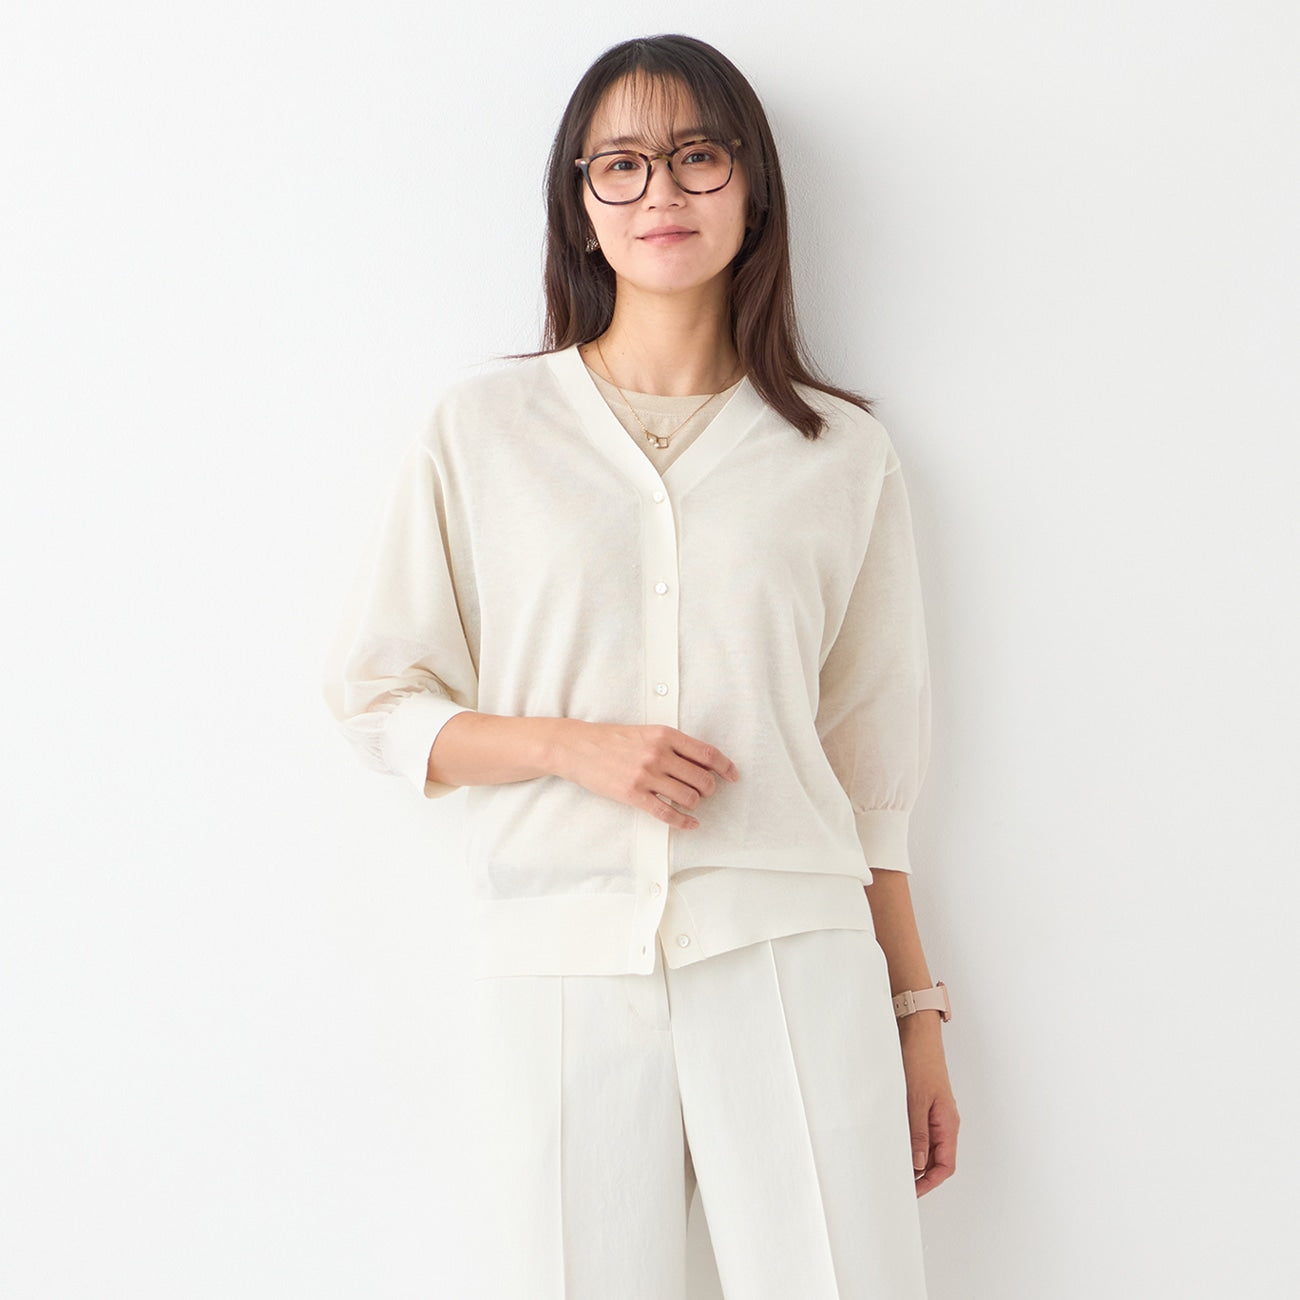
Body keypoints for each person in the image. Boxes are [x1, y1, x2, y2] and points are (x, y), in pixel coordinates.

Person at [323, 32, 959, 1300]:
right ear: (580, 204)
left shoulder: (842, 455)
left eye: (697, 155)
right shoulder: (484, 430)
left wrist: (917, 1011)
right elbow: (380, 699)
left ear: (752, 189)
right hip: (561, 962)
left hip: (793, 947)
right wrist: (571, 745)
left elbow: (870, 772)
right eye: (620, 164)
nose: (660, 190)